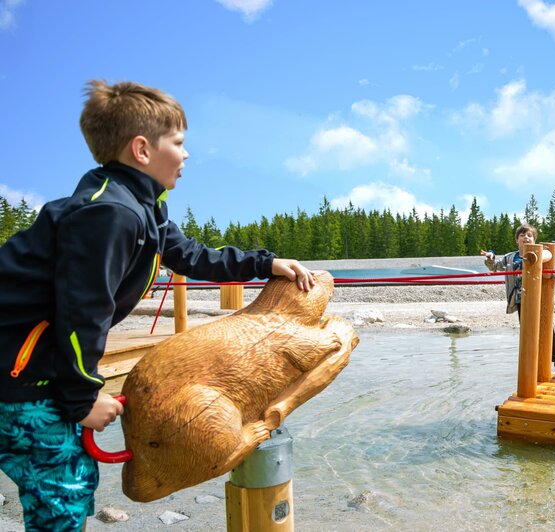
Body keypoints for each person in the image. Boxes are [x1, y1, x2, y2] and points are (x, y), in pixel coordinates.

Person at [0, 80, 319, 531]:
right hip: (22, 378)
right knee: (63, 496)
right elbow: (81, 314)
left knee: (65, 486)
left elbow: (192, 255)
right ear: (142, 150)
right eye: (179, 142)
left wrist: (266, 263)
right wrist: (83, 397)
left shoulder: (140, 207)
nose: (187, 154)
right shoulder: (109, 214)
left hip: (33, 369)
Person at [481, 223, 555, 382]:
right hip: (521, 300)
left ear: (534, 239)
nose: (526, 237)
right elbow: (495, 266)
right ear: (517, 240)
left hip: (541, 300)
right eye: (522, 235)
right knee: (528, 335)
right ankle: (534, 369)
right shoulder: (510, 257)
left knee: (548, 332)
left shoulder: (543, 253)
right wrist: (490, 257)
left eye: (529, 235)